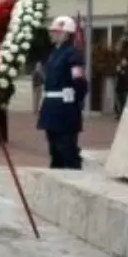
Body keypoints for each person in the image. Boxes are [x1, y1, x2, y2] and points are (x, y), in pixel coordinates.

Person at [38, 16, 87, 169]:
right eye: (53, 32)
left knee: (67, 149)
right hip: (51, 107)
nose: (53, 34)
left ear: (66, 34)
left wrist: (74, 99)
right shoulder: (54, 53)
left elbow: (78, 81)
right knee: (54, 150)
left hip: (65, 109)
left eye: (57, 32)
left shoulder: (72, 54)